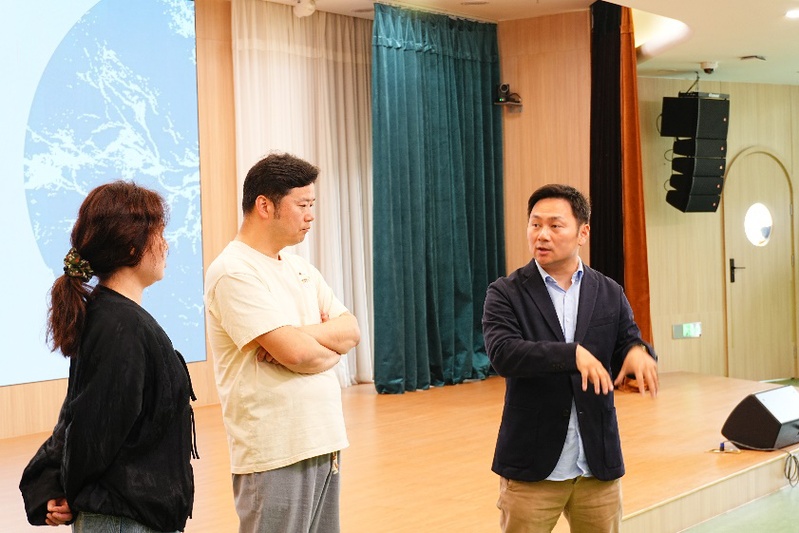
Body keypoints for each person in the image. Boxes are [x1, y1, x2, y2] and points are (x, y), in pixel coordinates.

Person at [19, 181, 197, 532]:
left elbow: (78, 414)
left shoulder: (113, 317)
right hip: (121, 519)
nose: (166, 245)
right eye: (160, 234)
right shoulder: (121, 326)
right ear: (132, 247)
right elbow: (93, 431)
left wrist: (56, 483)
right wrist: (65, 488)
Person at [481, 184, 658, 533]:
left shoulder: (609, 291)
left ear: (583, 233)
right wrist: (572, 354)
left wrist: (638, 353)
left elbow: (628, 340)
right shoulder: (505, 292)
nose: (542, 235)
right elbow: (504, 353)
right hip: (532, 468)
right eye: (535, 224)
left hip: (597, 467)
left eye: (555, 225)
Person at [204, 152, 360, 533]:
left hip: (322, 440)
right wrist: (315, 344)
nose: (311, 215)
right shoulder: (233, 271)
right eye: (302, 205)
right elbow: (297, 353)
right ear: (265, 206)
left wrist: (296, 333)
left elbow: (351, 331)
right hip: (274, 451)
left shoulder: (300, 267)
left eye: (312, 205)